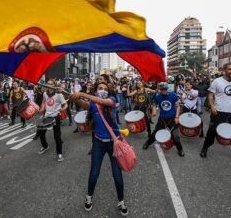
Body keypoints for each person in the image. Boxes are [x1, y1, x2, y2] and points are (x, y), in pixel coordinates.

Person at [69, 82, 128, 216]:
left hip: (114, 144)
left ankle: (121, 201)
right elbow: (80, 102)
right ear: (95, 91)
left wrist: (83, 94)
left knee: (117, 175)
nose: (103, 91)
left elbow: (101, 100)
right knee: (94, 172)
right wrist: (73, 95)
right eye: (100, 89)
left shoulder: (111, 100)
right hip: (98, 143)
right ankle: (89, 197)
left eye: (106, 89)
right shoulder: (92, 106)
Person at [200, 63, 231, 165]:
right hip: (219, 112)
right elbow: (210, 95)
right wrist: (212, 106)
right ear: (224, 70)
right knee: (211, 132)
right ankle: (205, 148)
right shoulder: (217, 81)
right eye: (229, 69)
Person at [141, 82, 185, 157]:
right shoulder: (158, 96)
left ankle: (180, 149)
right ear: (160, 90)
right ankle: (147, 143)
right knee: (155, 133)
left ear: (167, 89)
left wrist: (177, 117)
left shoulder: (173, 95)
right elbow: (154, 105)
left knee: (175, 135)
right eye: (162, 90)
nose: (163, 91)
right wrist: (154, 112)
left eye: (165, 89)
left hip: (172, 118)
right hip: (162, 118)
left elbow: (178, 106)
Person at [37, 79, 67, 162]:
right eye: (48, 84)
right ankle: (45, 146)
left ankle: (59, 153)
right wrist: (42, 110)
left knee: (57, 136)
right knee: (41, 133)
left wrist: (62, 109)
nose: (49, 85)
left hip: (55, 116)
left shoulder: (58, 94)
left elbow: (65, 104)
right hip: (47, 116)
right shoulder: (45, 94)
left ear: (54, 85)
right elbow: (44, 103)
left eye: (51, 84)